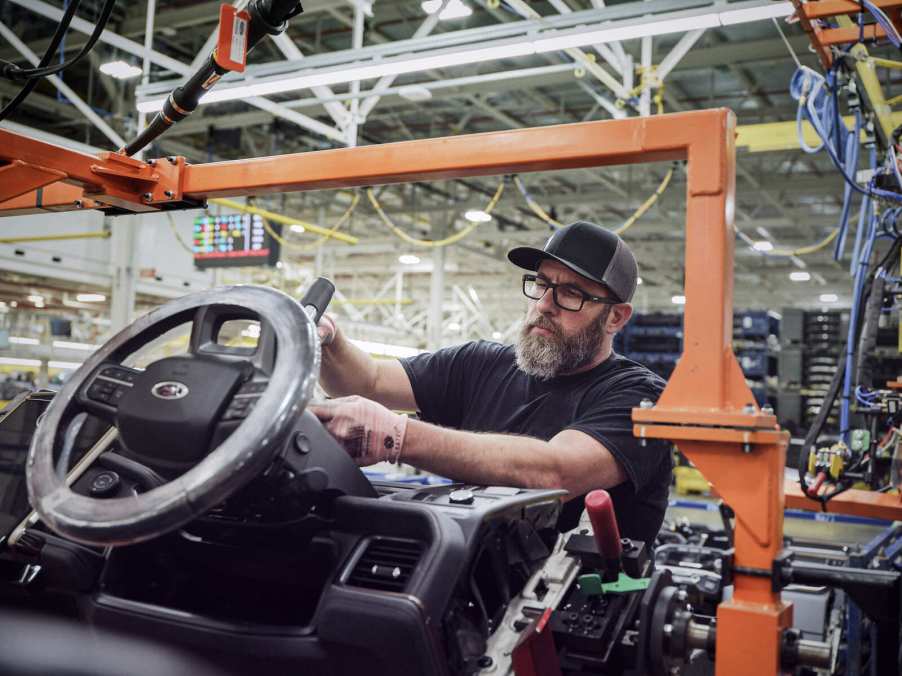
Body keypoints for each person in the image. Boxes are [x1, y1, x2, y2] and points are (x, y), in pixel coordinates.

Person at [309, 221, 673, 544]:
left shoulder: (640, 396)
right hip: (470, 590)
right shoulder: (481, 364)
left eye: (571, 294)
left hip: (578, 606)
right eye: (542, 284)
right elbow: (368, 380)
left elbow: (554, 472)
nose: (545, 304)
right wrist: (329, 340)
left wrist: (396, 436)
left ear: (616, 318)